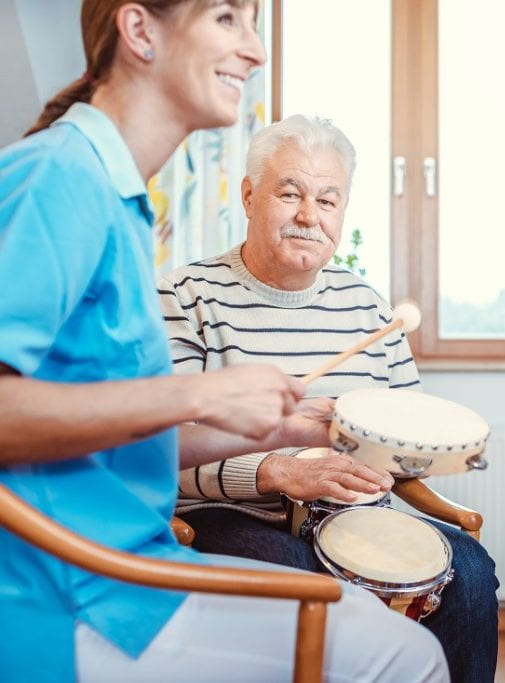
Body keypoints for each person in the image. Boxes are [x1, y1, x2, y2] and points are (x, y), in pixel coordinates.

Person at [0, 3, 447, 682]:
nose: (257, 50)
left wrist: (281, 426)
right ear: (140, 31)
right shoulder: (61, 176)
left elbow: (110, 433)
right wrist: (196, 391)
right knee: (400, 654)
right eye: (226, 19)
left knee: (392, 635)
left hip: (129, 574)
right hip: (71, 599)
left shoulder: (115, 193)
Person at [158, 113, 500, 683]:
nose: (308, 216)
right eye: (289, 193)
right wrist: (274, 471)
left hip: (357, 515)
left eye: (328, 200)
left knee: (468, 571)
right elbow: (157, 450)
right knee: (307, 583)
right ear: (248, 195)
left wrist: (421, 456)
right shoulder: (185, 296)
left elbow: (405, 434)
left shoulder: (366, 307)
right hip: (233, 514)